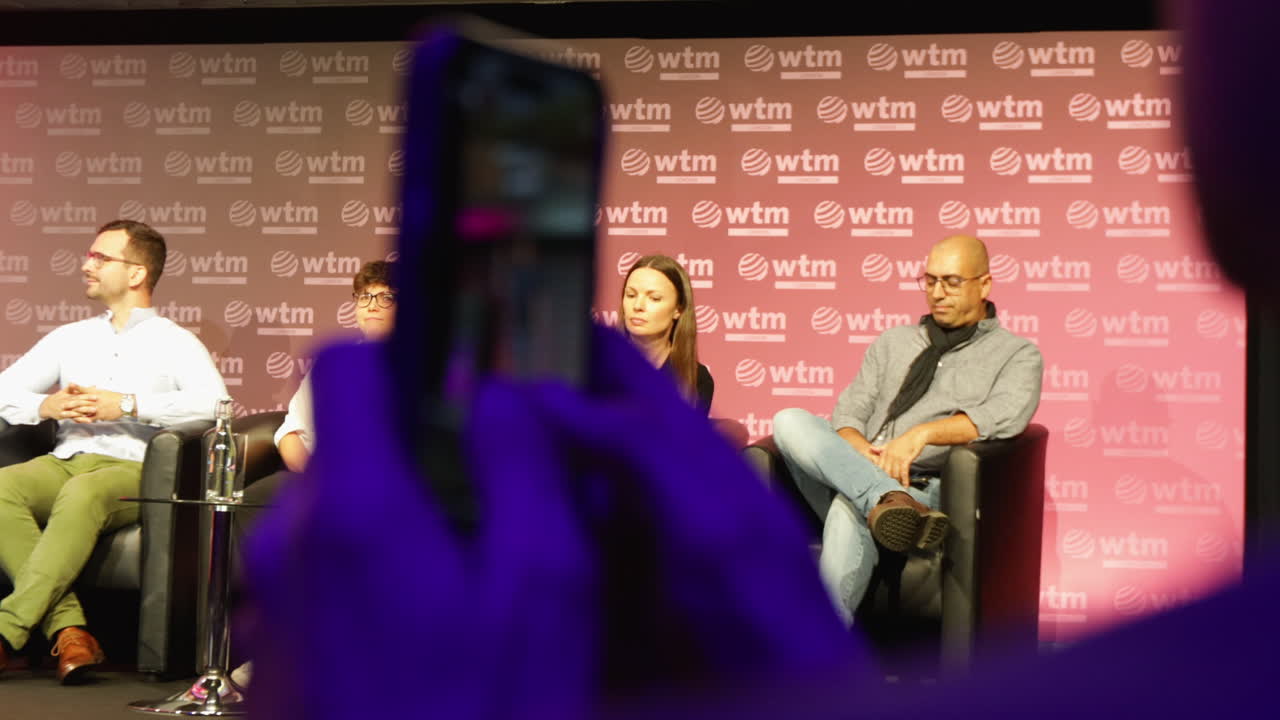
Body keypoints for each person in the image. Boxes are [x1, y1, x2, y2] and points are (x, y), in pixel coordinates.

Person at [770, 235, 1043, 625]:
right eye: (929, 280)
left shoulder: (1016, 354)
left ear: (984, 284)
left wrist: (922, 434)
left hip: (924, 490)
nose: (937, 293)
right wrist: (861, 456)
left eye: (951, 282)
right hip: (860, 471)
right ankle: (885, 497)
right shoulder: (892, 342)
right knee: (789, 419)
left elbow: (1006, 414)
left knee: (851, 505)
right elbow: (850, 411)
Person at [0, 219, 226, 684]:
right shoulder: (70, 337)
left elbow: (215, 405)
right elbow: (5, 389)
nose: (87, 265)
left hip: (132, 468)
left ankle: (7, 631)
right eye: (90, 255)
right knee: (3, 487)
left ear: (137, 273)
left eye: (101, 258)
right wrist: (44, 405)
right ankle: (69, 631)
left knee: (83, 493)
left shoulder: (175, 341)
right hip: (66, 460)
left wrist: (128, 405)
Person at [229, 259, 396, 688]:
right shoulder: (339, 362)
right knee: (255, 503)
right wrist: (313, 474)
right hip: (320, 479)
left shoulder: (418, 367)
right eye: (364, 297)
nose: (371, 306)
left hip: (383, 484)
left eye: (385, 298)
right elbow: (291, 430)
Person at [618, 254, 714, 415]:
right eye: (631, 295)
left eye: (654, 298)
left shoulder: (696, 379)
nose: (638, 305)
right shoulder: (595, 367)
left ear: (678, 309)